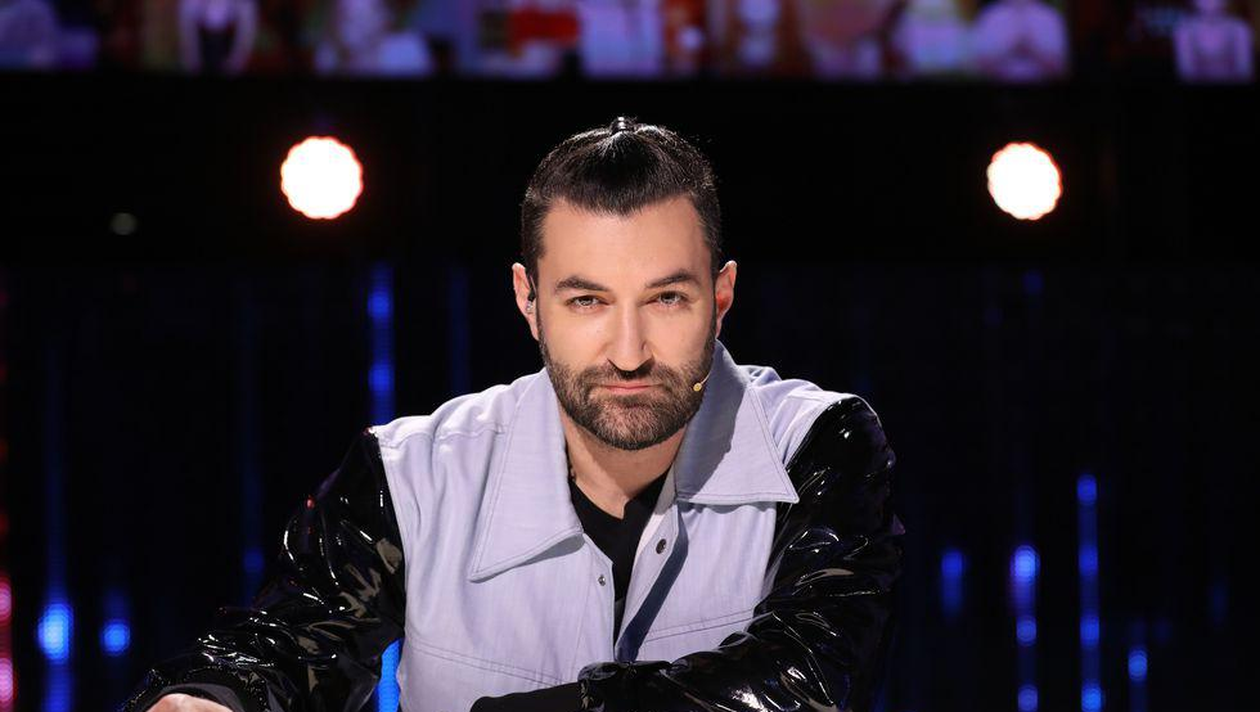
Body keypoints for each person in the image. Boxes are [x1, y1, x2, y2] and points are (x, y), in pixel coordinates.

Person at [120, 116, 907, 712]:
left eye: (667, 298)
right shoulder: (411, 474)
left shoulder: (819, 445)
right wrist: (211, 698)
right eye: (587, 301)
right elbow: (293, 643)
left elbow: (812, 674)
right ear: (528, 300)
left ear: (721, 296)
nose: (628, 352)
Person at [971, 0, 1068, 82]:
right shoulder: (990, 16)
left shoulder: (1050, 17)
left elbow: (1060, 68)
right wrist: (1009, 50)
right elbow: (979, 67)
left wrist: (1032, 50)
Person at [1174, 0, 1254, 83]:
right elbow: (1186, 72)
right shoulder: (1184, 30)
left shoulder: (1239, 29)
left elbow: (1244, 71)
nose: (1209, 1)